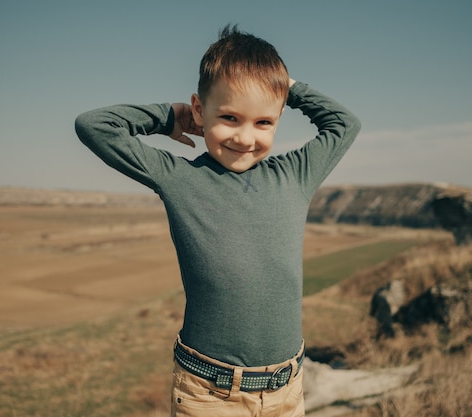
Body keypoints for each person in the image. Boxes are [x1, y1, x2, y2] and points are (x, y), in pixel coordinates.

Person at [75, 24, 361, 417]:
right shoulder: (179, 178)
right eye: (229, 117)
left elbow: (345, 124)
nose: (245, 138)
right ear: (199, 110)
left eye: (264, 123)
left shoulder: (296, 175)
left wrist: (283, 84)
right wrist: (168, 117)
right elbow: (93, 126)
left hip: (288, 390)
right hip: (209, 394)